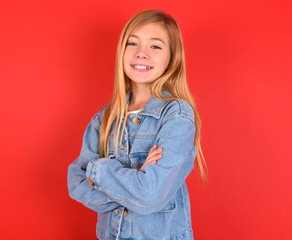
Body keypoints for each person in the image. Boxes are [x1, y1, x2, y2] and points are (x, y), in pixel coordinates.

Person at [67, 9, 207, 240]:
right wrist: (137, 178)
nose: (141, 53)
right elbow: (76, 184)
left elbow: (150, 196)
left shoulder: (176, 115)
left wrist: (99, 173)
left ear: (172, 58)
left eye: (155, 46)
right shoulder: (105, 118)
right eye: (133, 43)